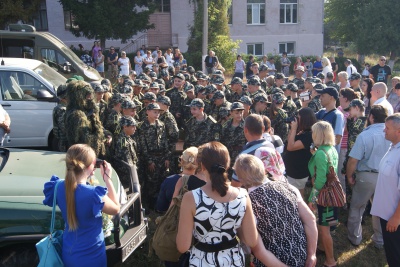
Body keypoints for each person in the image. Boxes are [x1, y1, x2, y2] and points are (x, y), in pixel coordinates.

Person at [176, 142, 258, 266]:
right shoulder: (243, 195)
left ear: (202, 166)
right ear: (228, 164)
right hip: (234, 261)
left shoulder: (191, 198)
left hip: (202, 261)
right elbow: (251, 241)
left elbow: (182, 246)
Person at [42, 144, 120, 267]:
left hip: (69, 254)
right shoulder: (93, 194)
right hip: (93, 257)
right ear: (91, 167)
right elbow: (116, 208)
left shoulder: (57, 186)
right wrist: (107, 179)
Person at [234, 154, 318, 267]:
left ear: (240, 179)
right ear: (263, 170)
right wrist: (311, 254)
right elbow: (310, 219)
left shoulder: (247, 203)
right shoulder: (288, 187)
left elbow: (259, 250)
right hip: (301, 257)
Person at [346, 105, 390, 249]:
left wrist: (349, 176)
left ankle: (355, 238)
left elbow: (353, 160)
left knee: (357, 206)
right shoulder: (393, 133)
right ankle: (379, 239)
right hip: (385, 177)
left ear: (371, 117)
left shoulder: (365, 135)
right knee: (380, 209)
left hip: (366, 175)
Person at [308, 121, 339, 267]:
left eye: (314, 132)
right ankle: (322, 247)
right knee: (325, 224)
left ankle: (330, 260)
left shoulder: (321, 153)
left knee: (325, 228)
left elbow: (320, 179)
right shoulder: (331, 148)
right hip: (331, 191)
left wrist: (312, 198)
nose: (312, 135)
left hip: (324, 194)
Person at [371, 113, 400, 267]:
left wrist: (396, 217)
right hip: (387, 215)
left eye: (387, 128)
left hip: (394, 218)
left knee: (396, 255)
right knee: (391, 253)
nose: (384, 131)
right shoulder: (393, 147)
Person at [231, 114, 275, 187]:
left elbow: (235, 185)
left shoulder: (243, 156)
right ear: (263, 129)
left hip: (252, 195)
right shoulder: (270, 146)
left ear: (245, 130)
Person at [285, 107, 317, 197]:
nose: (296, 120)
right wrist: (292, 129)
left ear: (305, 119)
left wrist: (294, 129)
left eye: (298, 118)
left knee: (298, 197)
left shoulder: (309, 135)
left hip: (298, 173)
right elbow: (289, 141)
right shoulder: (302, 132)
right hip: (293, 171)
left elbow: (290, 147)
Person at [316, 87, 345, 153]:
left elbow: (337, 139)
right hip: (319, 153)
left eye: (323, 96)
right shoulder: (321, 112)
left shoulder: (338, 115)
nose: (320, 98)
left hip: (329, 156)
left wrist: (320, 143)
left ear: (331, 98)